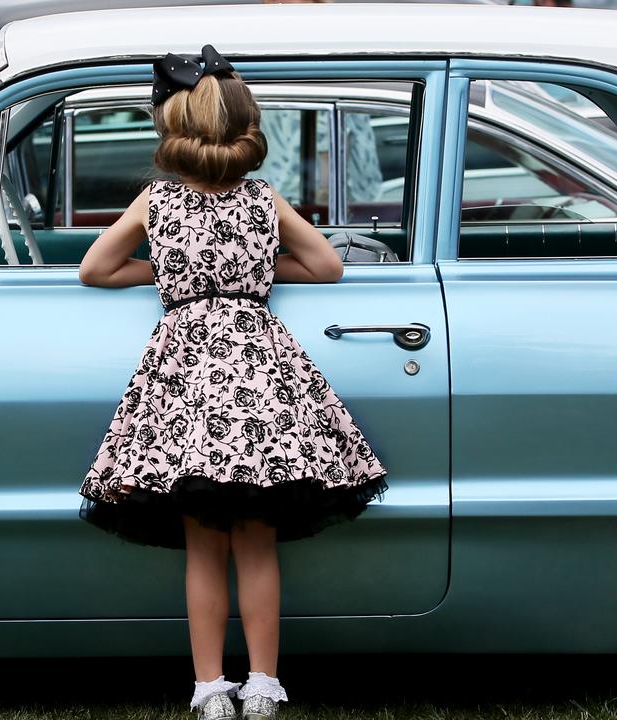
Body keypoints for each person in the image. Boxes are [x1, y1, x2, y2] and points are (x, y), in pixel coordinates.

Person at [77, 46, 387, 720]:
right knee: (257, 541)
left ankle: (210, 688)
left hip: (187, 382)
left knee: (202, 546)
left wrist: (169, 277)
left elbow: (95, 270)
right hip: (258, 377)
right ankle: (266, 686)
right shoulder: (262, 199)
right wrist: (255, 276)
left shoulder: (156, 201)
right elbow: (328, 266)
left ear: (172, 127)